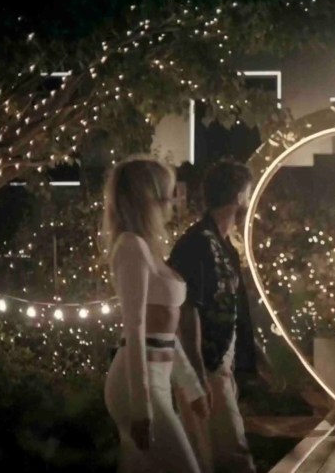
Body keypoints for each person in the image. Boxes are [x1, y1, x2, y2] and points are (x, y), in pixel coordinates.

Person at [103, 156, 209, 472]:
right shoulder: (131, 246)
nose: (174, 200)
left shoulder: (148, 248)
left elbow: (165, 334)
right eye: (169, 192)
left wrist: (191, 387)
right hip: (139, 382)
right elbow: (135, 329)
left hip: (156, 378)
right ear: (149, 196)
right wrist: (141, 408)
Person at [169, 159, 257, 473]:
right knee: (221, 453)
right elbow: (187, 309)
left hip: (220, 362)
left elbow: (232, 309)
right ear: (239, 197)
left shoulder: (223, 246)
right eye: (248, 192)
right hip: (203, 364)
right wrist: (197, 375)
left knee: (223, 450)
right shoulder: (197, 245)